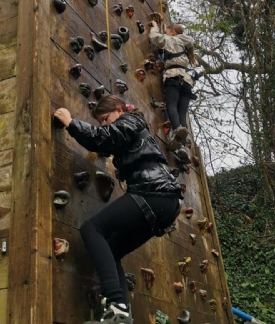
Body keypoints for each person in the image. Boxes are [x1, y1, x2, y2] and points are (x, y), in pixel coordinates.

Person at [54, 95, 181, 324]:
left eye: (106, 118)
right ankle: (120, 315)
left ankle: (115, 303)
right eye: (101, 121)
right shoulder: (133, 129)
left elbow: (103, 137)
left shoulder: (131, 121)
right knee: (112, 251)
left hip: (153, 193)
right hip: (163, 203)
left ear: (120, 110)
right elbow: (112, 139)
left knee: (92, 229)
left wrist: (70, 122)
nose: (105, 124)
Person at [148, 20, 197, 163]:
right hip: (187, 81)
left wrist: (155, 27)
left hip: (173, 76)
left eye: (167, 31)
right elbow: (190, 43)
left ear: (173, 32)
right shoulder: (186, 43)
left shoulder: (171, 40)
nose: (166, 33)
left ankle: (176, 130)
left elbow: (155, 38)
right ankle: (183, 148)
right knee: (182, 113)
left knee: (171, 106)